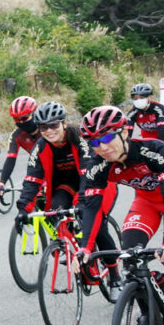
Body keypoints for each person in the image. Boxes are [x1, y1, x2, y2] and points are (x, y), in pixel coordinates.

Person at [76, 105, 164, 325]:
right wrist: (85, 247)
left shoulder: (157, 150)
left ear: (125, 132)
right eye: (94, 142)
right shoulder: (98, 166)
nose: (102, 147)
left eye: (108, 137)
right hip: (146, 203)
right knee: (130, 255)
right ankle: (147, 314)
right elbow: (91, 208)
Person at [12, 101, 123, 300]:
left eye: (53, 125)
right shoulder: (41, 146)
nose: (48, 131)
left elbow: (88, 173)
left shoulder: (79, 138)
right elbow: (32, 178)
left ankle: (115, 275)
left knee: (96, 226)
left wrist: (82, 204)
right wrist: (23, 209)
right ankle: (73, 246)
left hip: (96, 183)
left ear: (63, 124)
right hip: (65, 185)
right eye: (43, 127)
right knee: (56, 211)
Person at [0, 96, 42, 199]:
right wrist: (2, 183)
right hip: (38, 168)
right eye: (16, 119)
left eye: (24, 118)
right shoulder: (17, 135)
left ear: (34, 114)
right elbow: (10, 159)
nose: (21, 122)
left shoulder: (47, 130)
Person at [128, 82, 164, 148]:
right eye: (135, 98)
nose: (138, 100)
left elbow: (161, 130)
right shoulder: (132, 113)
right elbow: (127, 132)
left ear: (150, 97)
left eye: (141, 97)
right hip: (149, 135)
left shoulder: (159, 109)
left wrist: (161, 148)